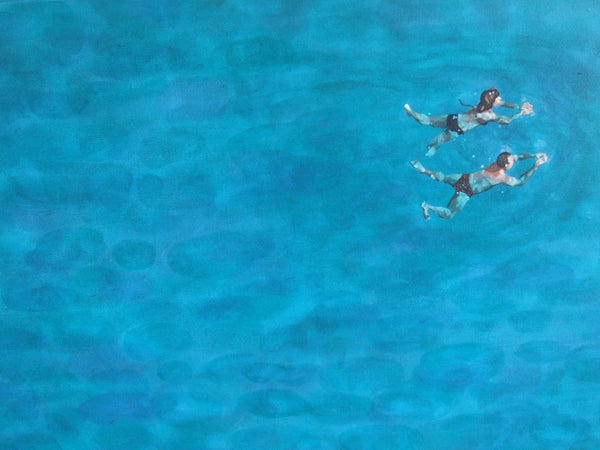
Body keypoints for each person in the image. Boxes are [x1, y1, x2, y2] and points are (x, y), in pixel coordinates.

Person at [411, 151, 548, 219]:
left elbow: (518, 156)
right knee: (449, 214)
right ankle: (428, 207)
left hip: (463, 178)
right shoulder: (503, 178)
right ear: (506, 165)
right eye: (511, 161)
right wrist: (535, 166)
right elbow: (521, 182)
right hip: (466, 193)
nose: (514, 160)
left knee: (441, 177)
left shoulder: (495, 163)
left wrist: (532, 155)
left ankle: (423, 170)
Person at [404, 88, 534, 156]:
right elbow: (507, 120)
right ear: (492, 101)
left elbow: (504, 105)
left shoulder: (484, 107)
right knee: (431, 133)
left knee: (430, 132)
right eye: (497, 97)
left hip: (455, 123)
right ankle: (412, 114)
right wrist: (520, 113)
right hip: (456, 125)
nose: (499, 99)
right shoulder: (489, 114)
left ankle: (412, 115)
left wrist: (518, 107)